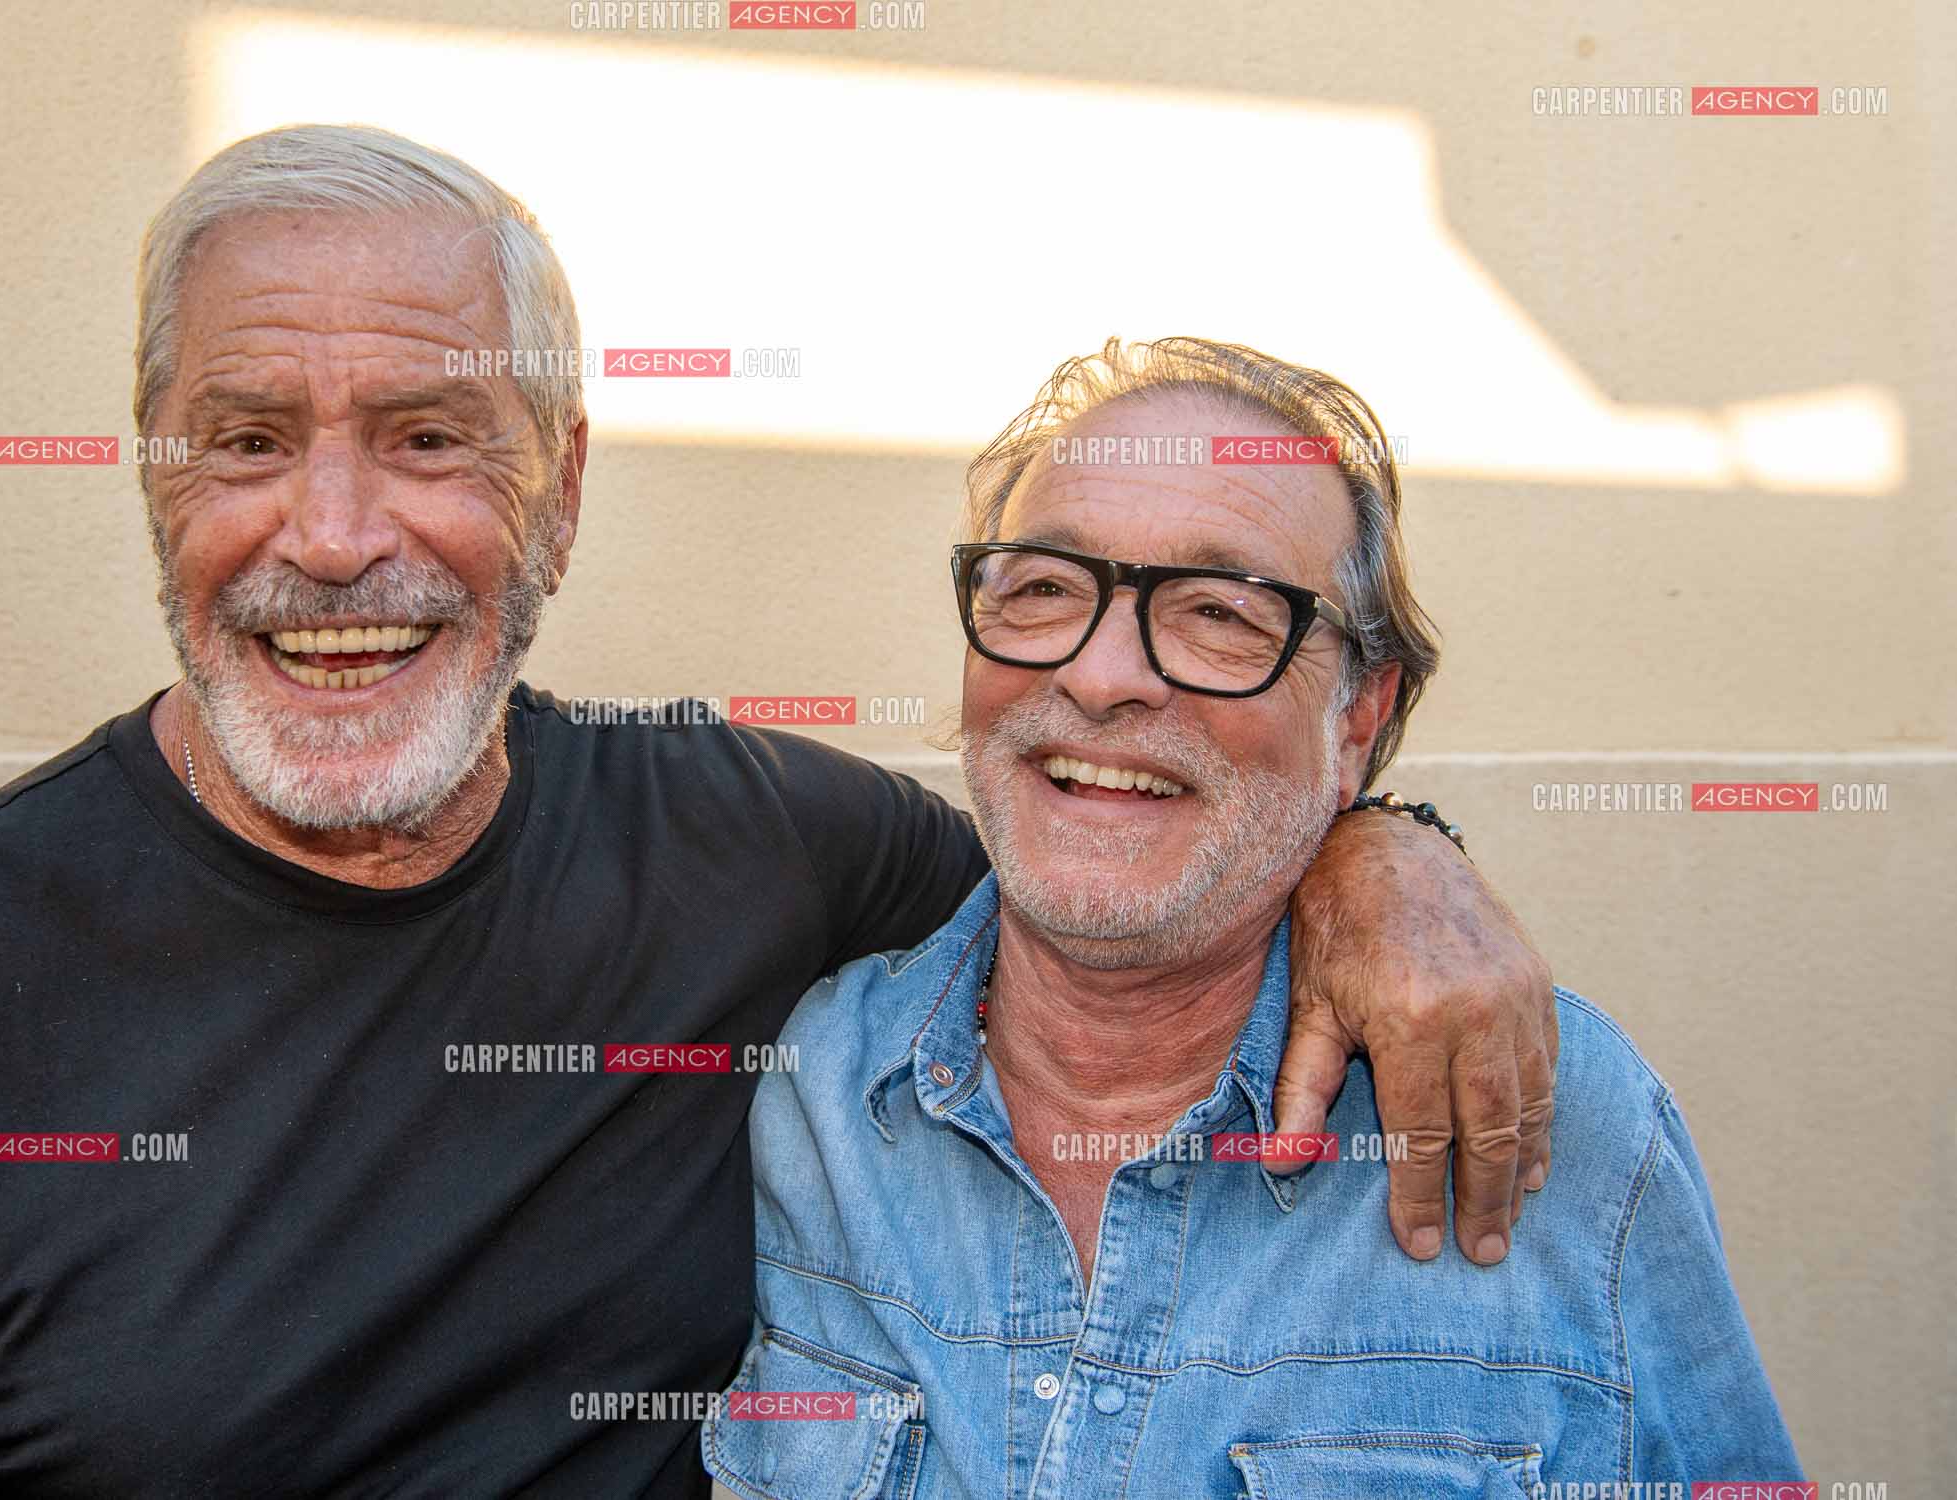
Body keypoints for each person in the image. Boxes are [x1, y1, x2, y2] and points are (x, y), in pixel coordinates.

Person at [0, 130, 1557, 1499]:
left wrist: (1390, 854)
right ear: (150, 479)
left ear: (562, 488)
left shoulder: (762, 854)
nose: (336, 535)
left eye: (435, 439)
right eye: (249, 441)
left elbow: (1127, 838)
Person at [712, 337, 1799, 1497]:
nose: (1099, 674)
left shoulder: (1552, 1116)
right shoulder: (811, 1087)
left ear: (1354, 719)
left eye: (1218, 613)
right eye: (1040, 589)